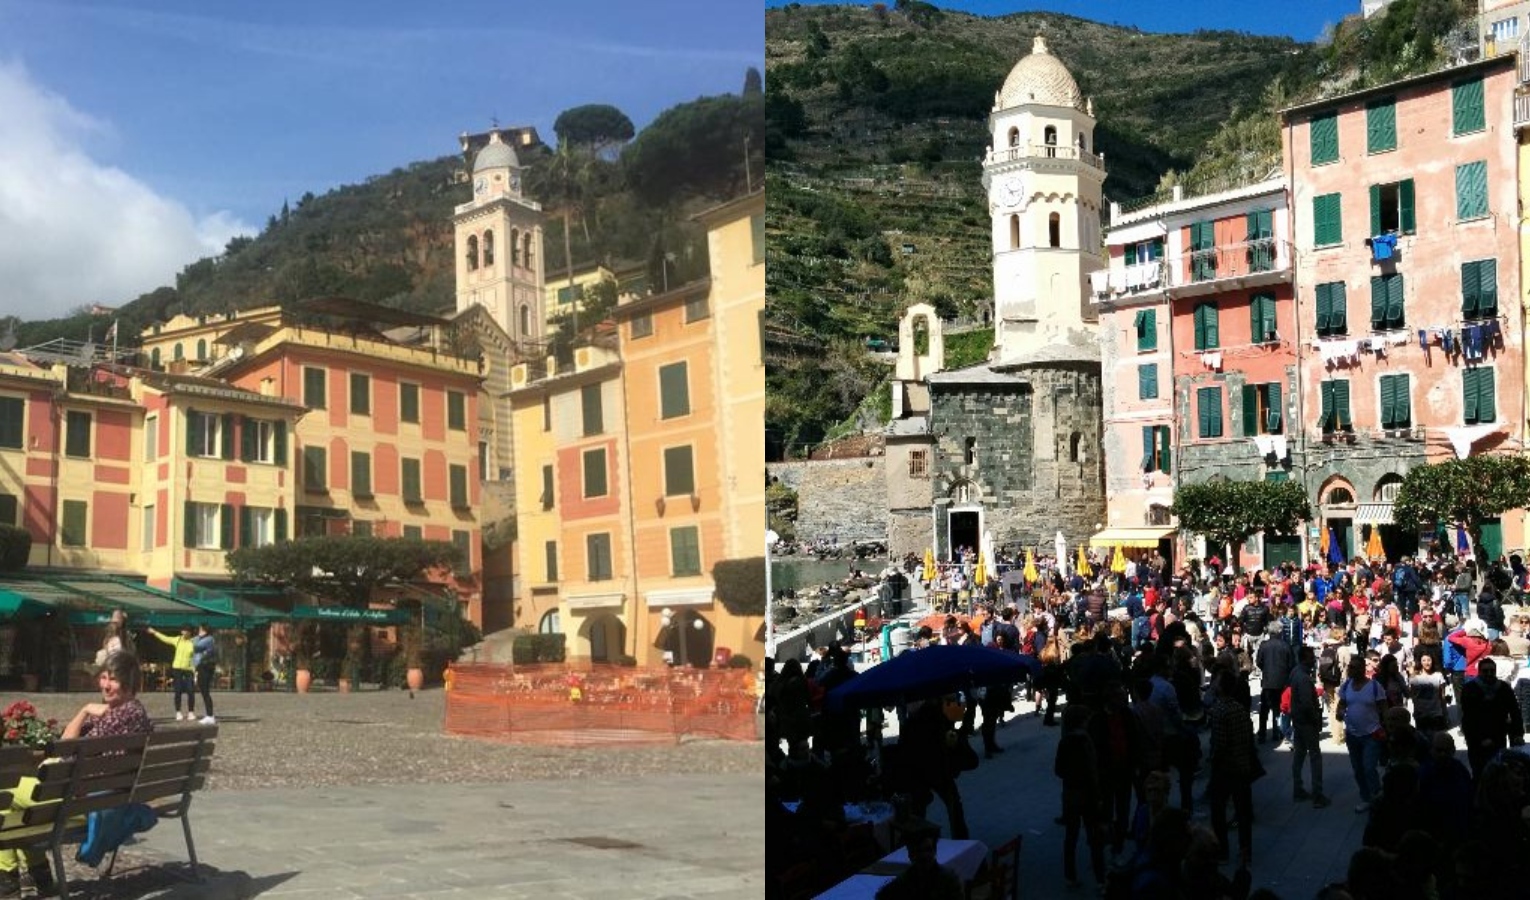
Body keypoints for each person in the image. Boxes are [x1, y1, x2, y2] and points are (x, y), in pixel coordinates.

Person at [0, 651, 152, 898]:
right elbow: (66, 742)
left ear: (129, 681)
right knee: (18, 809)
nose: (105, 684)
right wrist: (84, 711)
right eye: (103, 677)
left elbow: (68, 752)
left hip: (84, 803)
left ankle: (9, 881)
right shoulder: (130, 713)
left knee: (4, 796)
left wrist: (53, 761)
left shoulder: (118, 716)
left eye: (112, 679)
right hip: (101, 800)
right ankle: (39, 875)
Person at [1207, 667, 1257, 867]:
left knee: (1218, 810)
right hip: (1242, 765)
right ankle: (1246, 851)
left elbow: (1219, 744)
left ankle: (1222, 849)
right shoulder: (1239, 708)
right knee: (1243, 812)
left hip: (1225, 768)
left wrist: (1213, 763)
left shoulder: (1220, 710)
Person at [1459, 656, 1525, 779]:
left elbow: (1515, 711)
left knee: (1499, 774)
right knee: (1479, 775)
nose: (1489, 674)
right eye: (1485, 671)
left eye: (1492, 671)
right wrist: (1478, 739)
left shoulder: (1504, 688)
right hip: (1477, 741)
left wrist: (1517, 734)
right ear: (1479, 672)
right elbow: (1468, 718)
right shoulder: (1470, 689)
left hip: (1498, 737)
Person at [1337, 656, 1387, 813]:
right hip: (1352, 735)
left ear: (1362, 669)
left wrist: (1386, 727)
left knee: (1369, 767)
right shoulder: (1346, 686)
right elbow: (1342, 703)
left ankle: (1377, 796)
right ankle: (1366, 798)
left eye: (1354, 667)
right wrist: (1339, 712)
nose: (1351, 670)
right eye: (1350, 667)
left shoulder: (1374, 686)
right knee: (1358, 769)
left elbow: (1383, 707)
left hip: (1371, 735)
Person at [874, 820, 963, 900]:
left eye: (927, 849)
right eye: (918, 851)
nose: (924, 855)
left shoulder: (948, 880)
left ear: (934, 851)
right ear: (910, 855)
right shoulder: (903, 882)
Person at [1289, 645, 1329, 808]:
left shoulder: (1296, 672)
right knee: (1314, 756)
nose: (1314, 660)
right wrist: (1315, 719)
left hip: (1298, 720)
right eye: (1311, 657)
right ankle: (1317, 795)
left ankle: (1298, 789)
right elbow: (1307, 703)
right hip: (1306, 722)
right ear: (1305, 658)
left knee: (1299, 755)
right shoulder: (1304, 678)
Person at [146, 625, 198, 721]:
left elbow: (195, 657)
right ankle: (178, 712)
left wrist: (195, 670)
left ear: (190, 633)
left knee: (190, 691)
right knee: (177, 691)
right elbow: (165, 638)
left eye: (187, 631)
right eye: (183, 630)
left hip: (189, 669)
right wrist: (154, 632)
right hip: (177, 668)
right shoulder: (177, 640)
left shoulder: (193, 642)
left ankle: (191, 712)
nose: (184, 632)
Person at [192, 623, 218, 725]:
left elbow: (195, 646)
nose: (199, 631)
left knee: (205, 690)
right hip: (202, 666)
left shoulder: (209, 639)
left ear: (205, 630)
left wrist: (194, 638)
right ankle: (209, 714)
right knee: (203, 690)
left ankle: (210, 715)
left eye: (200, 630)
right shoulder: (204, 638)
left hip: (206, 666)